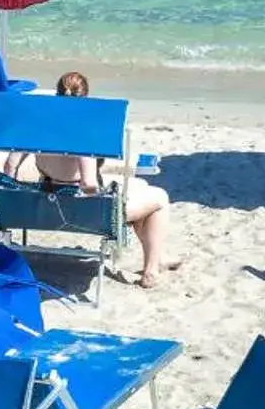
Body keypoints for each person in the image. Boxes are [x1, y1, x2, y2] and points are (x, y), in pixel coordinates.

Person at [35, 70, 175, 289]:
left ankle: (160, 257)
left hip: (46, 206)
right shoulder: (82, 133)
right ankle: (151, 270)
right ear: (86, 99)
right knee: (160, 198)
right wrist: (107, 194)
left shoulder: (38, 128)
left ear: (57, 95)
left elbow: (9, 167)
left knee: (141, 187)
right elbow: (89, 185)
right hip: (83, 214)